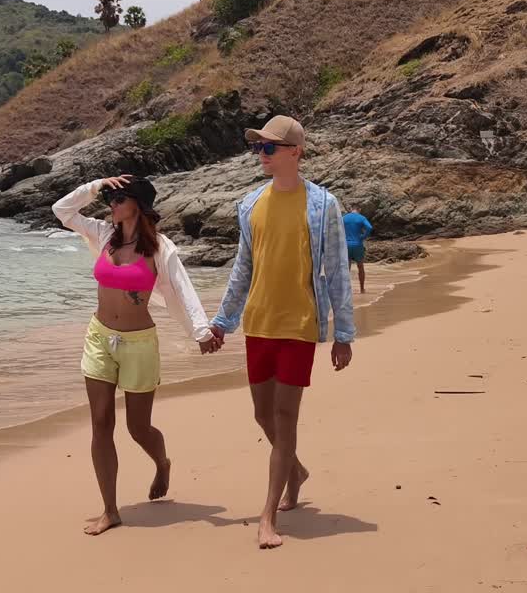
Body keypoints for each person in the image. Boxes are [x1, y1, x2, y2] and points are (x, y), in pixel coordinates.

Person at [209, 115, 356, 549]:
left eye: (270, 148)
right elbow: (243, 268)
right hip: (259, 322)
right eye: (258, 148)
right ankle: (296, 470)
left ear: (296, 152)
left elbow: (336, 273)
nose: (262, 155)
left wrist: (343, 333)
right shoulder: (249, 204)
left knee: (285, 417)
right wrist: (222, 321)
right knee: (262, 414)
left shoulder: (324, 205)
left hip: (299, 325)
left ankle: (267, 517)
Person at [53, 174, 220, 536]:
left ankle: (161, 462)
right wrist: (96, 185)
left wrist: (201, 331)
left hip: (139, 344)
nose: (111, 203)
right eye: (109, 198)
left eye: (118, 197)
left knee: (137, 427)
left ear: (138, 205)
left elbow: (182, 289)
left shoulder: (160, 248)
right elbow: (62, 210)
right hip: (98, 337)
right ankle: (110, 510)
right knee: (101, 422)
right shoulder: (102, 235)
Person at [342, 207, 373, 294]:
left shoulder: (344, 218)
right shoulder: (361, 218)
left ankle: (346, 290)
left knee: (346, 268)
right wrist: (363, 237)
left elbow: (337, 228)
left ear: (351, 209)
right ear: (359, 209)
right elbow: (369, 227)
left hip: (346, 245)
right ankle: (362, 289)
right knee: (360, 266)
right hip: (357, 244)